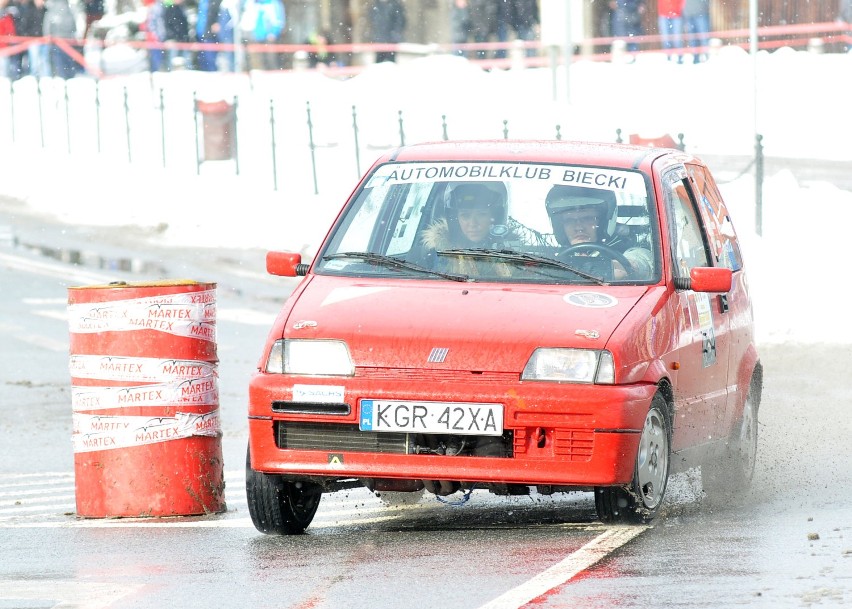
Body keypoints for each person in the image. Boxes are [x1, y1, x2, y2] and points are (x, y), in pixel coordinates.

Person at [545, 184, 653, 280]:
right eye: (569, 220)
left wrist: (625, 267)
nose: (578, 227)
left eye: (587, 218)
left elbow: (642, 263)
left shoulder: (624, 249)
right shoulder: (549, 254)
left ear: (603, 222)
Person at [420, 182, 512, 277]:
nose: (473, 223)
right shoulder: (442, 254)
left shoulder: (514, 253)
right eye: (465, 215)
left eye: (481, 214)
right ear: (456, 220)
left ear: (494, 218)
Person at [240, 0, 285, 70]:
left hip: (269, 36)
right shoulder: (253, 3)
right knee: (256, 60)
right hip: (255, 35)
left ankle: (273, 74)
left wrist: (274, 32)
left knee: (271, 59)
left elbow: (278, 20)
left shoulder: (273, 3)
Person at [42, 0, 77, 78]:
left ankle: (61, 77)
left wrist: (47, 36)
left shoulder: (52, 9)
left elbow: (47, 25)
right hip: (65, 41)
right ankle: (67, 78)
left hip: (57, 41)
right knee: (67, 62)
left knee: (58, 63)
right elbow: (73, 27)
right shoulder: (68, 9)